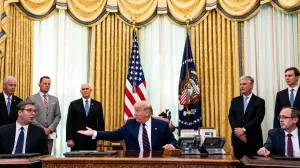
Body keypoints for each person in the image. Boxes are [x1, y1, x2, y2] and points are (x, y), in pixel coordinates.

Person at [78, 101, 177, 150]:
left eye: (137, 111)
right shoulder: (130, 124)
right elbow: (114, 135)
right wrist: (94, 133)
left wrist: (171, 146)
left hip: (157, 162)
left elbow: (173, 140)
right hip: (134, 161)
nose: (135, 114)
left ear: (147, 113)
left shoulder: (162, 125)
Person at [228, 76, 265, 167]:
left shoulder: (259, 101)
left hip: (253, 139)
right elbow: (231, 116)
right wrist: (238, 132)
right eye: (240, 84)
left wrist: (244, 129)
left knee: (252, 165)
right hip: (238, 139)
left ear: (251, 85)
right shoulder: (235, 100)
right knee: (238, 164)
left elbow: (258, 118)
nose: (241, 86)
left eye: (244, 84)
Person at [26, 76, 61, 154]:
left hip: (50, 134)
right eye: (45, 83)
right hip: (36, 132)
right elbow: (30, 116)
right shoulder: (31, 98)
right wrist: (43, 129)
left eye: (49, 84)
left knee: (47, 157)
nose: (47, 85)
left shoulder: (54, 99)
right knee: (35, 157)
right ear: (39, 84)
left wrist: (50, 129)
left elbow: (58, 115)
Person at [66, 84, 105, 151]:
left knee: (91, 160)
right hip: (77, 140)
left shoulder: (98, 104)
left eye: (87, 89)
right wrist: (69, 139)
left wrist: (100, 138)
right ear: (80, 91)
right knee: (76, 161)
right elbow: (69, 122)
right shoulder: (73, 104)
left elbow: (101, 122)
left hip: (92, 139)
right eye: (83, 89)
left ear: (90, 90)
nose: (85, 91)